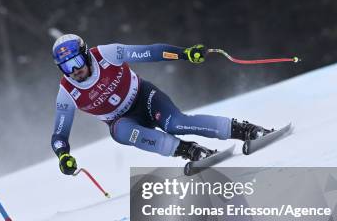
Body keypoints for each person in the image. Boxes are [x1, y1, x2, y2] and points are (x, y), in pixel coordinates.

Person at [50, 34, 271, 175]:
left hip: (144, 97)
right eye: (66, 67)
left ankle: (247, 130)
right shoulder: (67, 92)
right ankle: (191, 151)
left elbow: (150, 52)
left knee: (176, 123)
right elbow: (59, 135)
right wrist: (63, 156)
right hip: (122, 120)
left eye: (76, 62)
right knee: (124, 132)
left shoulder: (106, 54)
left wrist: (184, 54)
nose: (74, 70)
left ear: (86, 55)